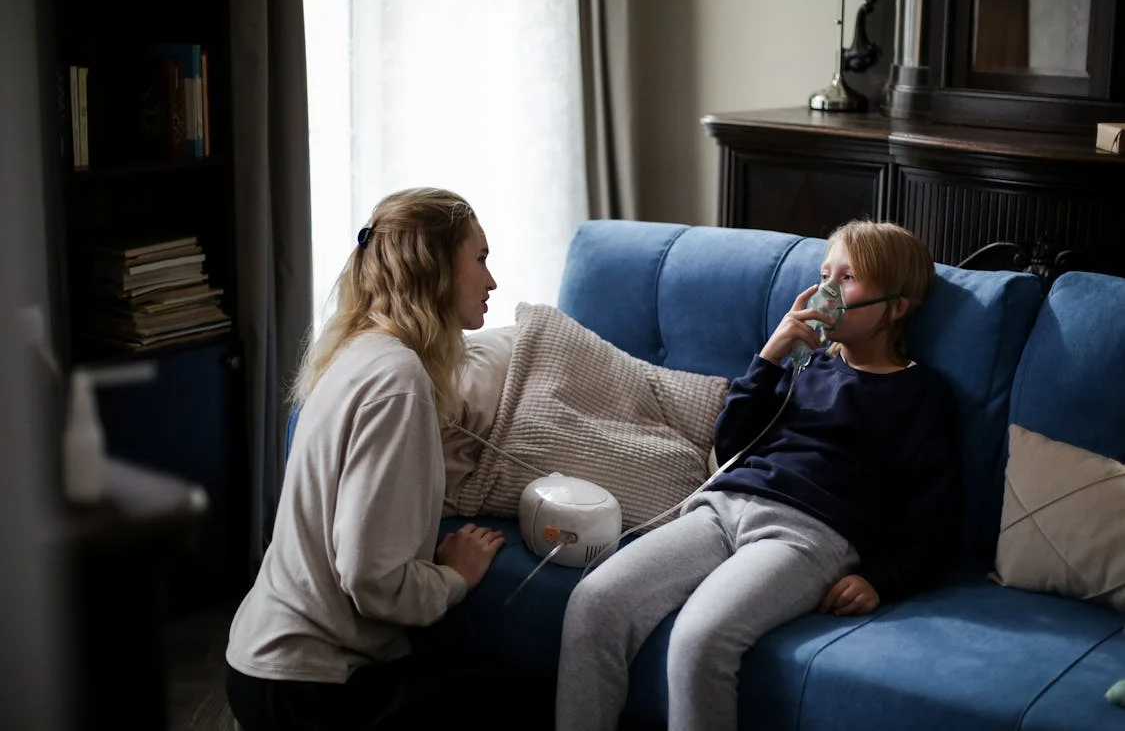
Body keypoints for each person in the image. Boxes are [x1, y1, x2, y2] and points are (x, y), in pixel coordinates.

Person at [555, 220, 961, 731]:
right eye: (824, 273)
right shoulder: (803, 365)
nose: (827, 290)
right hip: (723, 508)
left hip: (807, 534)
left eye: (850, 278)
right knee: (595, 602)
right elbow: (730, 444)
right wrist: (772, 355)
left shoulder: (921, 394)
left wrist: (880, 579)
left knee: (699, 639)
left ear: (897, 306)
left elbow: (935, 521)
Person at [225, 187, 551, 730]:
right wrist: (453, 577)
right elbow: (369, 576)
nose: (491, 281)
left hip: (263, 667)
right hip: (307, 688)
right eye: (480, 258)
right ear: (439, 266)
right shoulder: (399, 382)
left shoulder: (355, 352)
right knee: (535, 704)